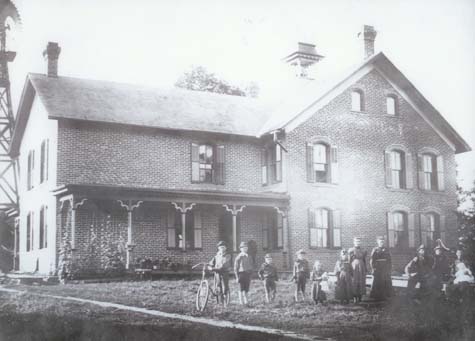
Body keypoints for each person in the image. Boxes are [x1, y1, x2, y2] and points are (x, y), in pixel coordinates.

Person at [369, 236, 393, 301]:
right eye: (380, 241)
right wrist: (374, 268)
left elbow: (389, 260)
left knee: (385, 280)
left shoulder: (386, 250)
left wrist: (389, 268)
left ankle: (385, 295)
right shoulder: (375, 250)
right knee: (377, 281)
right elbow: (372, 260)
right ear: (377, 242)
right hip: (378, 268)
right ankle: (377, 296)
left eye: (382, 241)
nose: (381, 243)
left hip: (385, 268)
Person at [348, 237, 367, 303]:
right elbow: (349, 260)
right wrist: (349, 269)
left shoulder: (363, 250)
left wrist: (365, 268)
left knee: (361, 281)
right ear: (354, 242)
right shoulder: (351, 250)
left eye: (359, 241)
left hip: (361, 267)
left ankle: (360, 296)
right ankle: (354, 297)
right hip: (354, 267)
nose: (357, 243)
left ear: (360, 242)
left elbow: (364, 260)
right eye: (356, 241)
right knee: (354, 281)